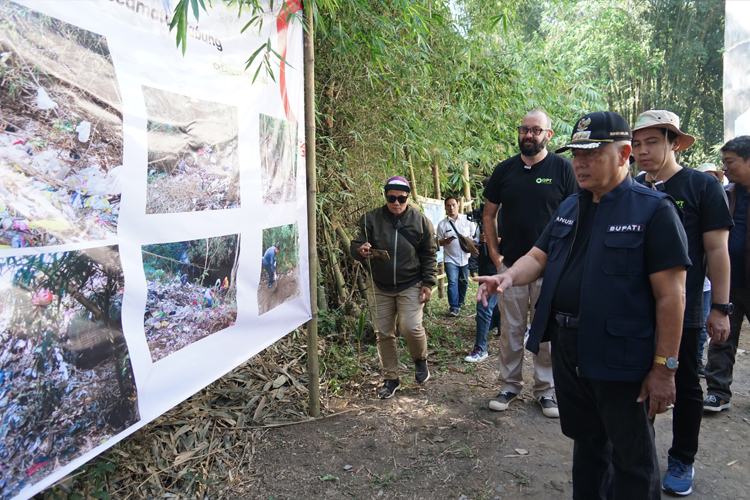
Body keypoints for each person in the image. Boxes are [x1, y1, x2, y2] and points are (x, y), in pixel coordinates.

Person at [476, 111, 691, 500]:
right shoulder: (571, 207)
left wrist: (664, 368)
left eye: (592, 154)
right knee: (587, 448)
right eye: (576, 153)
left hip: (622, 358)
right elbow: (539, 256)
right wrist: (507, 276)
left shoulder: (654, 211)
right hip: (570, 350)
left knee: (632, 459)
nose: (580, 163)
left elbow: (672, 296)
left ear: (624, 154)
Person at [631, 109, 733, 496]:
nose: (642, 151)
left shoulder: (701, 187)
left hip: (685, 305)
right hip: (638, 306)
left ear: (674, 143)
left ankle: (682, 458)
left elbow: (717, 250)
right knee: (637, 380)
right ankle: (640, 454)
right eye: (637, 144)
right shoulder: (633, 187)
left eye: (652, 142)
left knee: (686, 383)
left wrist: (720, 307)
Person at [482, 109, 577, 418]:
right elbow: (488, 213)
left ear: (548, 135)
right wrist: (496, 257)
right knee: (510, 329)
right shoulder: (504, 170)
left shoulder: (564, 169)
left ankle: (546, 390)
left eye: (536, 130)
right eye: (524, 129)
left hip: (552, 267)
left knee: (545, 330)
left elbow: (579, 215)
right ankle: (509, 385)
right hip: (510, 267)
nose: (529, 135)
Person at [351, 176, 438, 399]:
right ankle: (391, 378)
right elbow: (354, 245)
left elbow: (429, 254)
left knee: (410, 327)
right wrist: (360, 250)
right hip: (379, 284)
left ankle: (420, 359)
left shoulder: (420, 221)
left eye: (401, 198)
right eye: (391, 198)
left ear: (408, 197)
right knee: (383, 334)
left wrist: (428, 283)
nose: (396, 203)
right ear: (385, 196)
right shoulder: (370, 219)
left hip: (411, 282)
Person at [704, 136, 750, 412]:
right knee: (721, 337)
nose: (725, 168)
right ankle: (718, 392)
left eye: (730, 162)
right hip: (730, 282)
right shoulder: (727, 193)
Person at [465, 179, 503, 363]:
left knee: (484, 306)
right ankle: (501, 328)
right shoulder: (485, 213)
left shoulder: (509, 212)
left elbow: (518, 240)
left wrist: (492, 238)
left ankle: (481, 348)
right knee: (494, 305)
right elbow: (477, 239)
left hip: (501, 267)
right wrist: (473, 243)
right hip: (484, 265)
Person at [696, 163, 726, 375]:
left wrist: (721, 305)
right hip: (693, 281)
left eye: (713, 176)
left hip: (705, 282)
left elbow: (717, 248)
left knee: (699, 329)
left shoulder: (717, 194)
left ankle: (696, 361)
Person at [436, 197, 476, 317]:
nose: (451, 208)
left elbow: (474, 235)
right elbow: (438, 242)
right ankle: (453, 307)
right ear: (445, 208)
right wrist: (444, 241)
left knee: (463, 282)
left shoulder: (467, 220)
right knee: (452, 282)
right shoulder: (442, 224)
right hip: (450, 258)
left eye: (453, 205)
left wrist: (470, 243)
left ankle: (461, 302)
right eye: (448, 205)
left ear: (458, 206)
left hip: (465, 257)